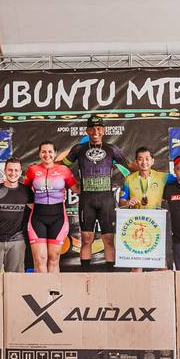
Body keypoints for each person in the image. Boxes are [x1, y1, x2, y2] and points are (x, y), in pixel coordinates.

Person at [63, 116, 135, 272]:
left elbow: (129, 167)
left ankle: (110, 276)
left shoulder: (112, 149)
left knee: (108, 240)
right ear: (87, 130)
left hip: (106, 200)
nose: (95, 131)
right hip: (86, 200)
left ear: (103, 130)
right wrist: (45, 167)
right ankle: (85, 277)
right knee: (86, 239)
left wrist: (149, 170)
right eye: (92, 128)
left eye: (99, 128)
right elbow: (62, 167)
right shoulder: (78, 149)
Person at [23, 141, 79, 273]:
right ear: (39, 154)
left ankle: (53, 287)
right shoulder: (32, 170)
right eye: (43, 152)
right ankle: (41, 286)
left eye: (50, 151)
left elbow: (77, 189)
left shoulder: (64, 170)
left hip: (58, 218)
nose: (47, 154)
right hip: (38, 218)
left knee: (53, 259)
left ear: (55, 153)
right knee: (40, 259)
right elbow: (24, 191)